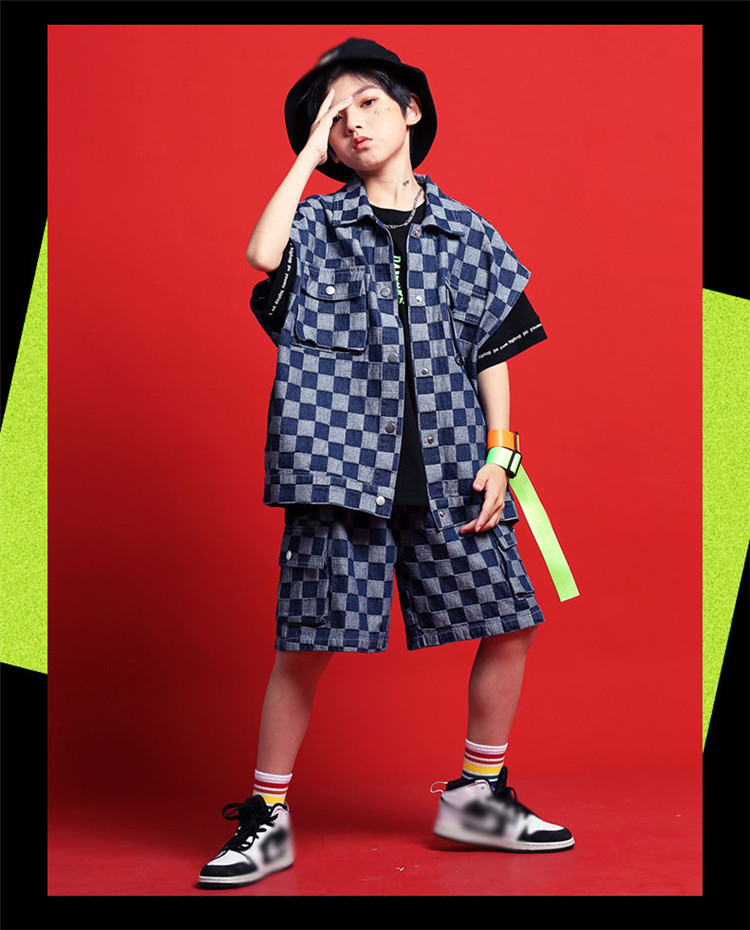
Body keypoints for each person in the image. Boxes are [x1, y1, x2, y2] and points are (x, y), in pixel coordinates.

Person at [198, 37, 575, 889]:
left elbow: (492, 349)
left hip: (452, 468)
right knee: (306, 643)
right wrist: (306, 156)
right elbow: (260, 256)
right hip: (337, 470)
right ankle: (267, 815)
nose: (353, 124)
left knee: (510, 620)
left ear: (410, 110)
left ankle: (478, 797)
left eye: (366, 103)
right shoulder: (315, 227)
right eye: (334, 119)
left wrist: (501, 452)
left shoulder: (468, 232)